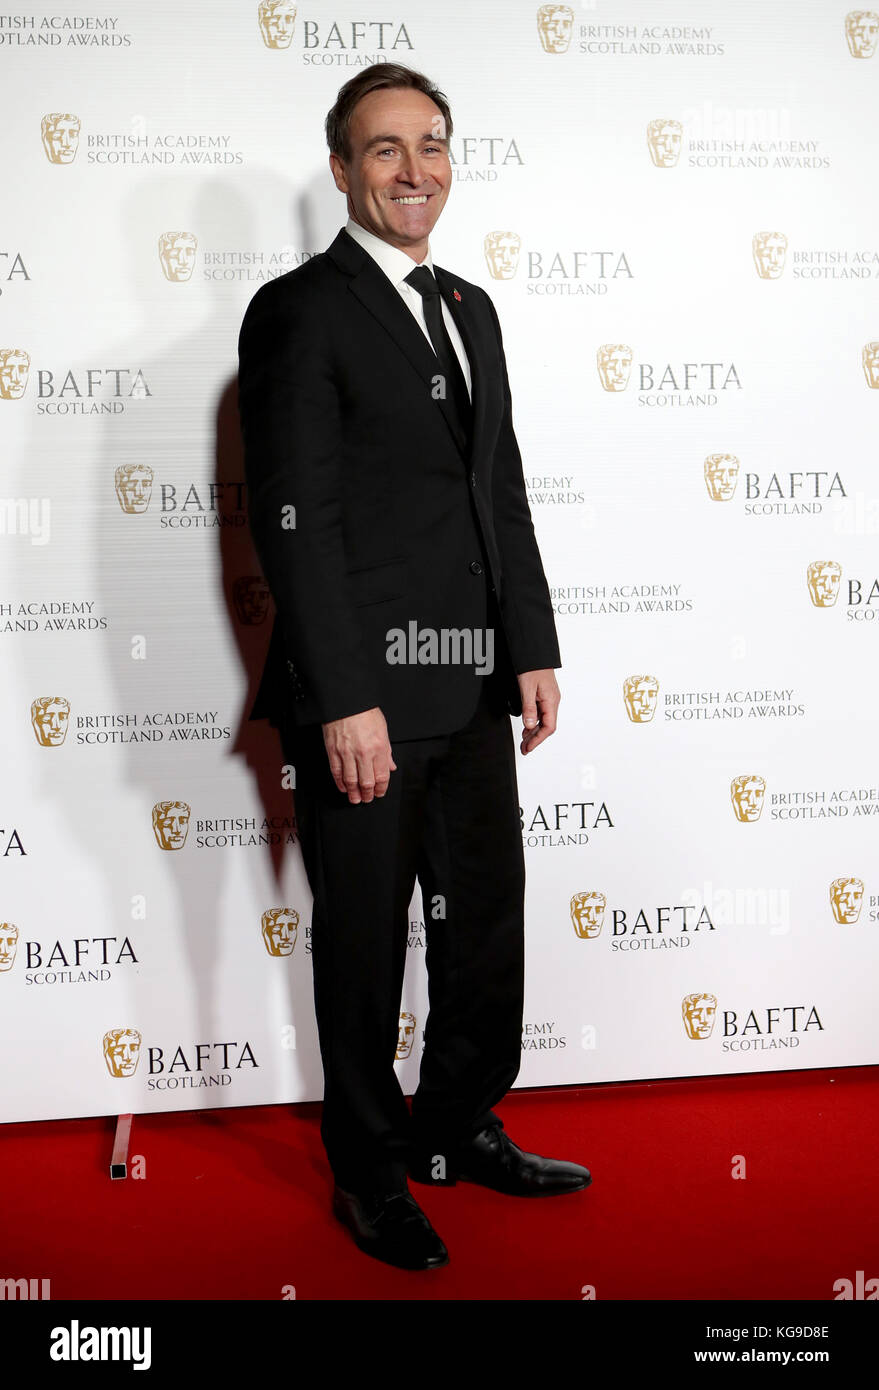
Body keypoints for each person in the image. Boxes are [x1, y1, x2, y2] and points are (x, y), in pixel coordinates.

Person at [238, 63, 590, 1271]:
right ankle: (373, 1173)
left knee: (486, 924)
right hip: (368, 699)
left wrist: (530, 645)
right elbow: (297, 518)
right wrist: (344, 695)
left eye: (431, 144)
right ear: (341, 168)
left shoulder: (472, 308)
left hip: (473, 678)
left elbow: (500, 486)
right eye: (384, 149)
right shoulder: (300, 312)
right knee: (364, 944)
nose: (414, 169)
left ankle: (455, 1125)